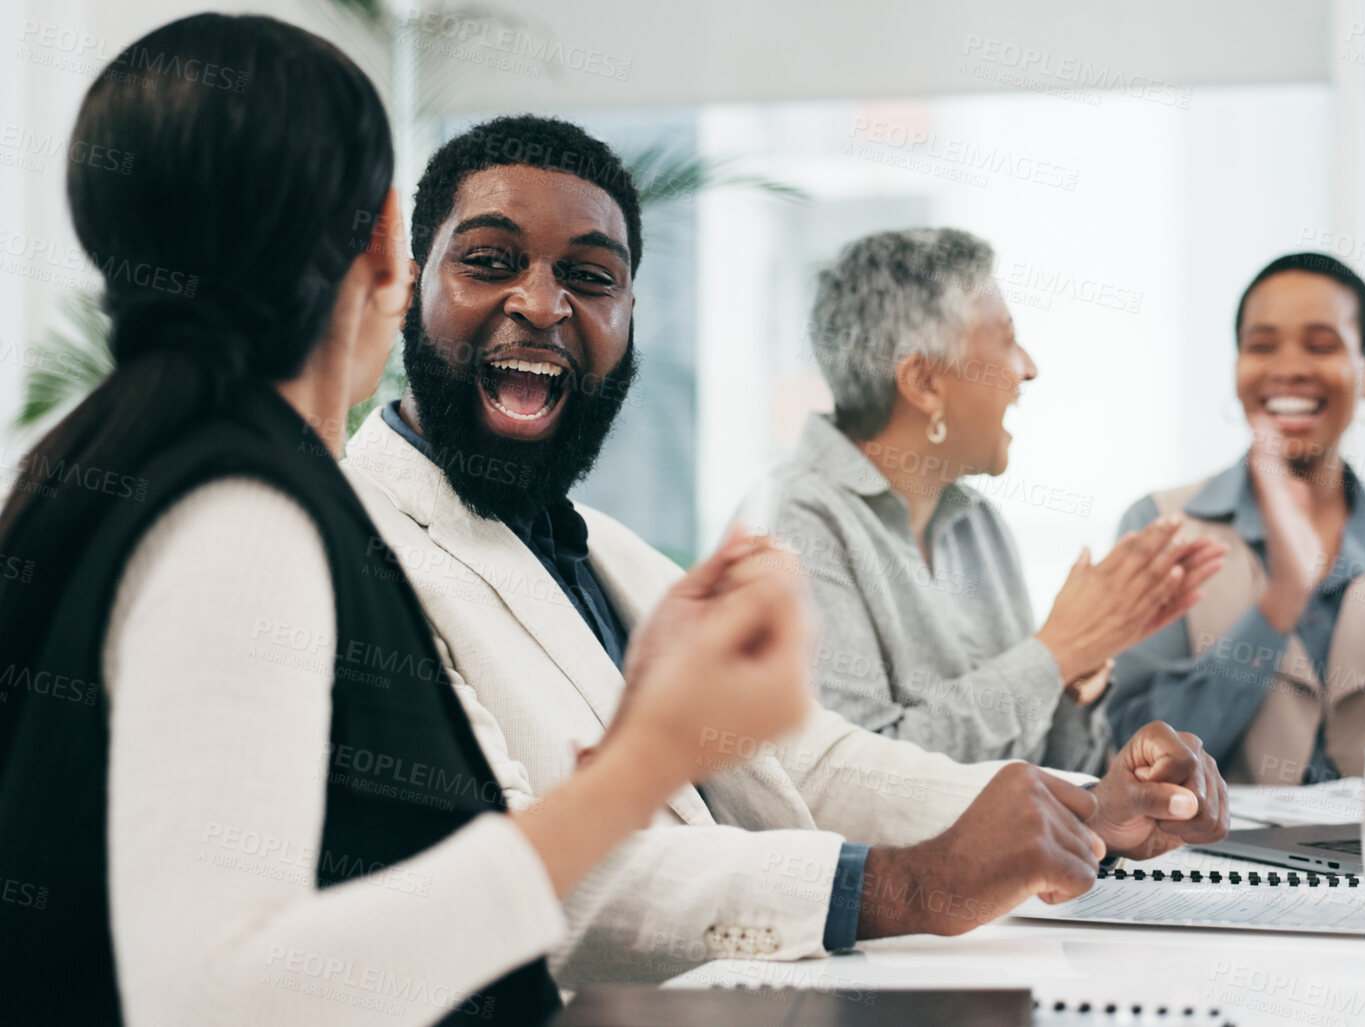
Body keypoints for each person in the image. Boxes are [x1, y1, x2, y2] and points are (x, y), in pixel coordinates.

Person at [0, 17, 811, 1027]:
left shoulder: (111, 465)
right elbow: (220, 997)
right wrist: (651, 760)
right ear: (391, 245)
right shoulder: (240, 515)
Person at [340, 115, 1230, 988]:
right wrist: (895, 885)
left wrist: (1092, 806)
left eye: (590, 276)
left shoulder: (611, 551)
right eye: (490, 262)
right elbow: (503, 875)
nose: (540, 303)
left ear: (629, 315)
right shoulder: (350, 551)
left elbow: (810, 758)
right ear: (408, 285)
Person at [742, 228, 1226, 772]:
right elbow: (861, 781)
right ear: (925, 382)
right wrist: (1054, 653)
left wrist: (1074, 674)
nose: (1029, 368)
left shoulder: (980, 524)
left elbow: (1047, 775)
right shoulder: (792, 524)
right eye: (1006, 339)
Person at [1108, 253, 1365, 785]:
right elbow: (1136, 759)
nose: (1288, 367)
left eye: (1321, 345)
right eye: (1261, 346)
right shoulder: (1159, 526)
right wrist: (1281, 598)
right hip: (1215, 867)